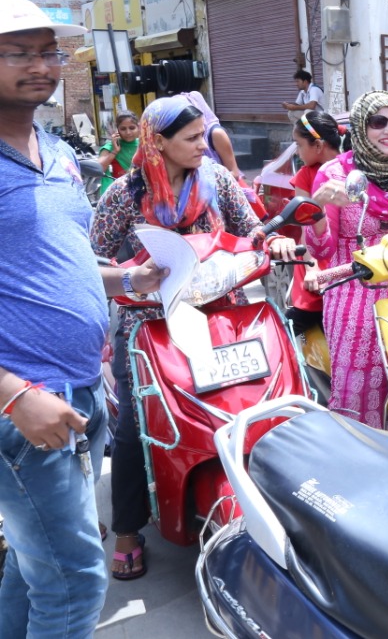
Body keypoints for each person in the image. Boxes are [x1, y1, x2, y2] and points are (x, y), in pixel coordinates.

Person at [0, 0, 165, 637]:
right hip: (28, 404)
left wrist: (127, 276)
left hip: (84, 392)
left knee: (34, 566)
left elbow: (54, 259)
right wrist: (14, 395)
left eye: (50, 52)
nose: (42, 65)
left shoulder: (58, 151)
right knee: (75, 582)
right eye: (19, 52)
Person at [91, 96, 295, 582]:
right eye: (191, 138)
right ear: (157, 142)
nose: (204, 145)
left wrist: (276, 242)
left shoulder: (218, 180)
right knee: (132, 425)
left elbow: (252, 232)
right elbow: (91, 259)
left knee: (256, 401)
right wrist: (133, 275)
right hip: (147, 325)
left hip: (222, 312)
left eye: (204, 135)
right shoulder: (125, 193)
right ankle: (126, 529)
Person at [305, 90, 388, 427]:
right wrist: (317, 211)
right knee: (359, 396)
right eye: (378, 122)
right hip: (353, 292)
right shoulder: (335, 174)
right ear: (361, 128)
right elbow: (322, 250)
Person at [285, 110, 345, 331]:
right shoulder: (305, 175)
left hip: (345, 259)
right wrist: (312, 268)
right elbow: (305, 226)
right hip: (315, 259)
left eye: (299, 145)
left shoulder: (350, 170)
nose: (298, 152)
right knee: (302, 321)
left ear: (318, 146)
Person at [96, 110, 140, 197]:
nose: (128, 132)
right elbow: (99, 169)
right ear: (117, 130)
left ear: (138, 127)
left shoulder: (145, 145)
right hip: (117, 195)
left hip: (141, 192)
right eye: (123, 129)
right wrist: (114, 152)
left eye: (132, 128)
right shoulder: (110, 147)